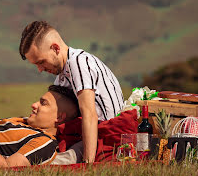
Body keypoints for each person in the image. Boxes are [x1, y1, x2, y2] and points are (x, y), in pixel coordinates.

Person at [19, 21, 125, 163]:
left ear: (55, 48)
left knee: (51, 162)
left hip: (105, 135)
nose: (40, 69)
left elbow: (89, 114)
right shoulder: (62, 75)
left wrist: (88, 164)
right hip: (85, 134)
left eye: (41, 62)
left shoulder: (79, 63)